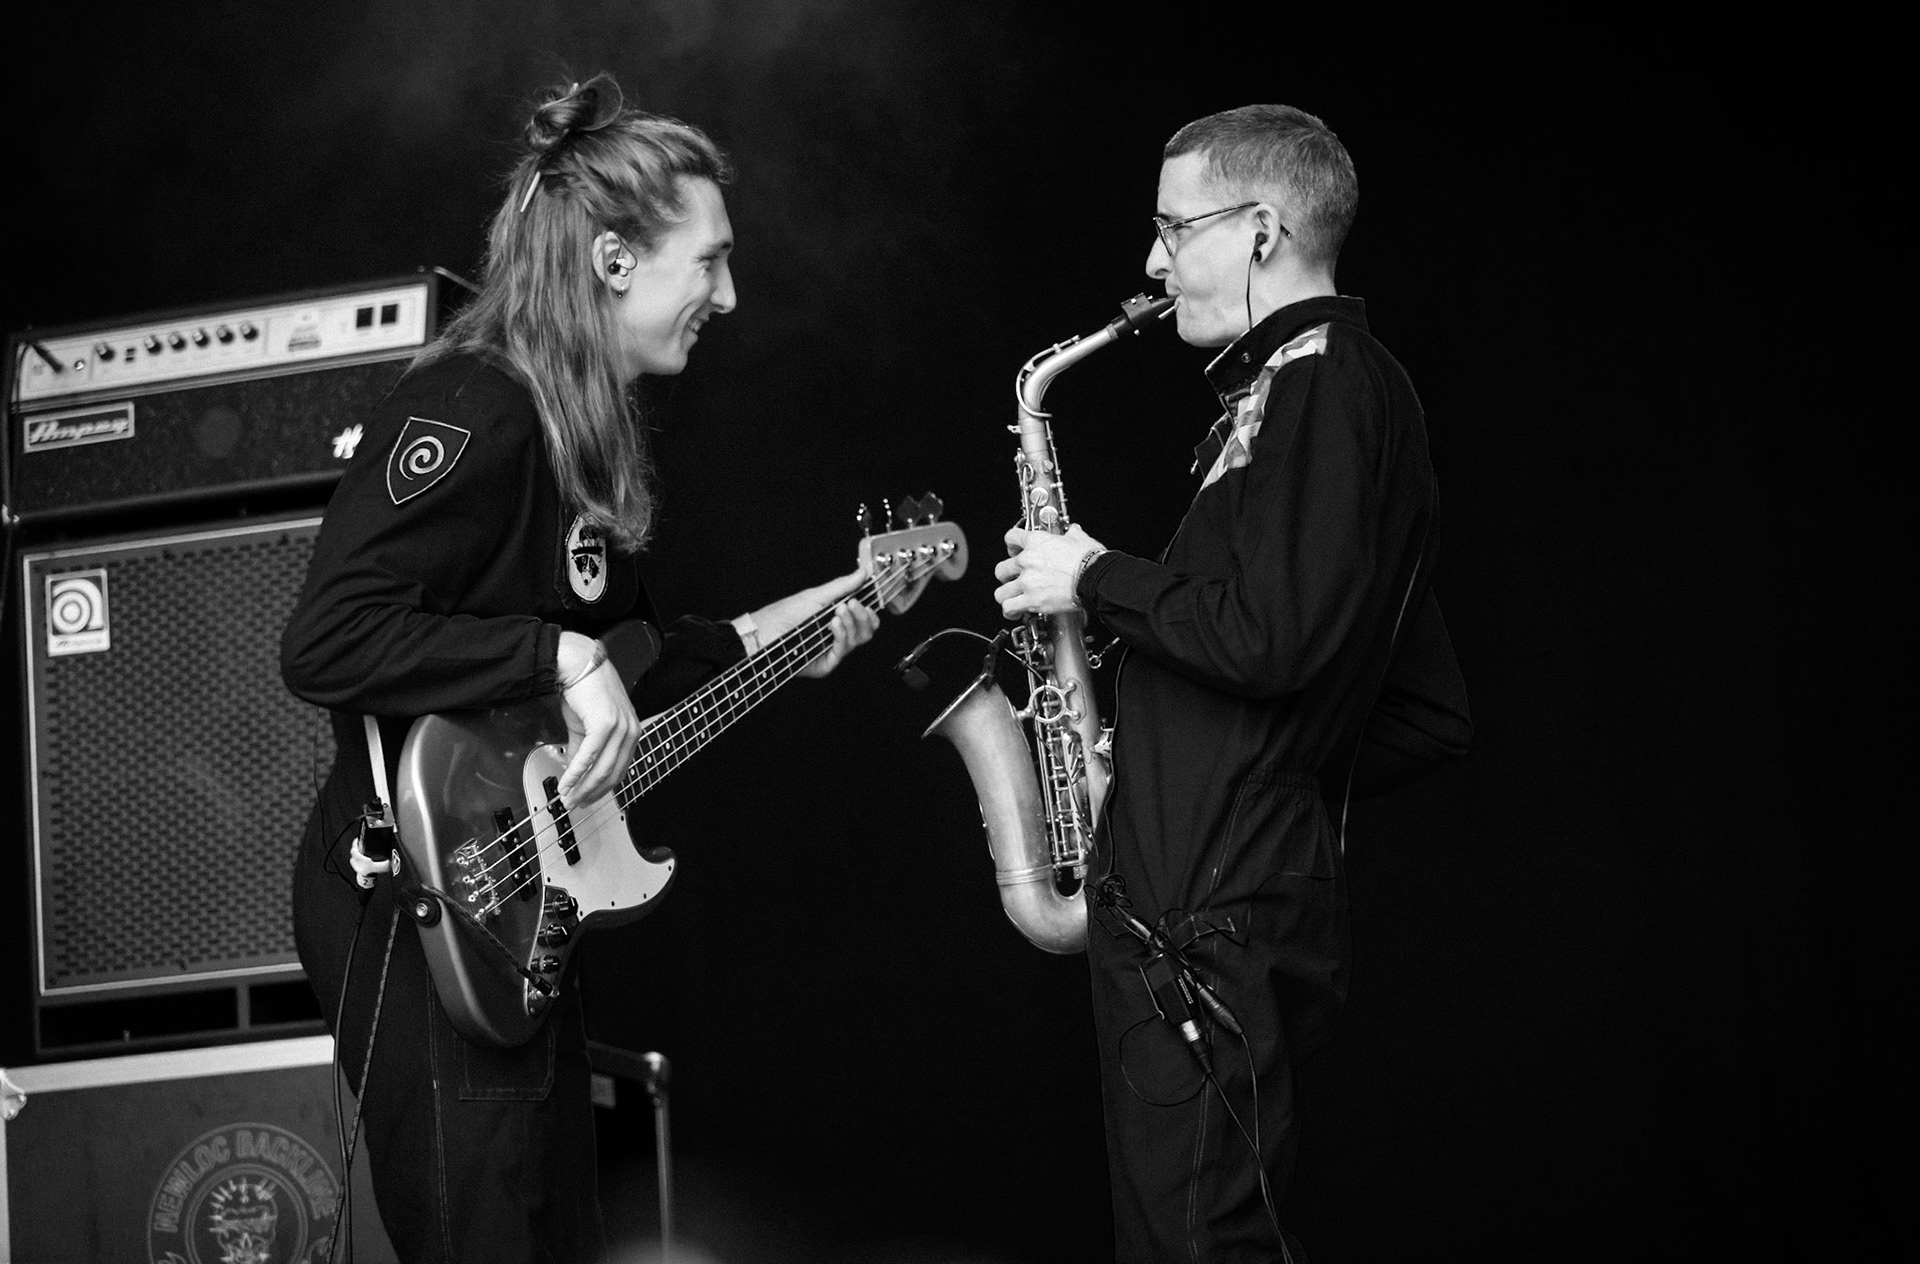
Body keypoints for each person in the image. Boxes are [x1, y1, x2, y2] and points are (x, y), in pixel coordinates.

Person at [280, 75, 879, 1262]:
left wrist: (790, 631)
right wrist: (551, 652)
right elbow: (326, 638)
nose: (729, 293)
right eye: (706, 261)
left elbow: (632, 659)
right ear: (613, 260)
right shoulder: (476, 403)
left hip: (515, 899)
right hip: (417, 896)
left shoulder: (567, 430)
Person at [993, 105, 1472, 1261]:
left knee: (1195, 1240)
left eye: (1174, 228)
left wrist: (1094, 577)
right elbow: (1425, 709)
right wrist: (1213, 760)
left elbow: (1271, 638)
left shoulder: (1323, 385)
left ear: (1261, 228)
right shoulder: (1300, 398)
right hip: (1209, 896)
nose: (1154, 263)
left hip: (1199, 914)